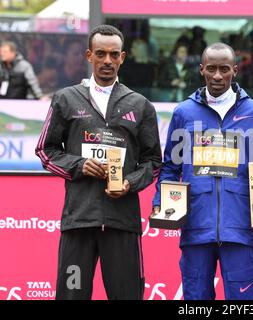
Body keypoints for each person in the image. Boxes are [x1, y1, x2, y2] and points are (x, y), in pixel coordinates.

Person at [35, 24, 162, 300]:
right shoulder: (65, 99)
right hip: (78, 221)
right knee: (71, 296)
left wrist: (129, 183)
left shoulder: (140, 105)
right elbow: (46, 151)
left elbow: (153, 162)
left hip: (122, 223)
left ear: (123, 58)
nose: (107, 61)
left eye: (114, 54)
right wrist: (79, 165)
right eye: (101, 53)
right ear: (89, 55)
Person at [152, 42, 253, 300]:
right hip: (196, 227)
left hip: (241, 227)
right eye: (211, 69)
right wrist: (162, 203)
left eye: (224, 69)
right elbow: (170, 168)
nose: (217, 76)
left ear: (235, 70)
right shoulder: (184, 113)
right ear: (201, 69)